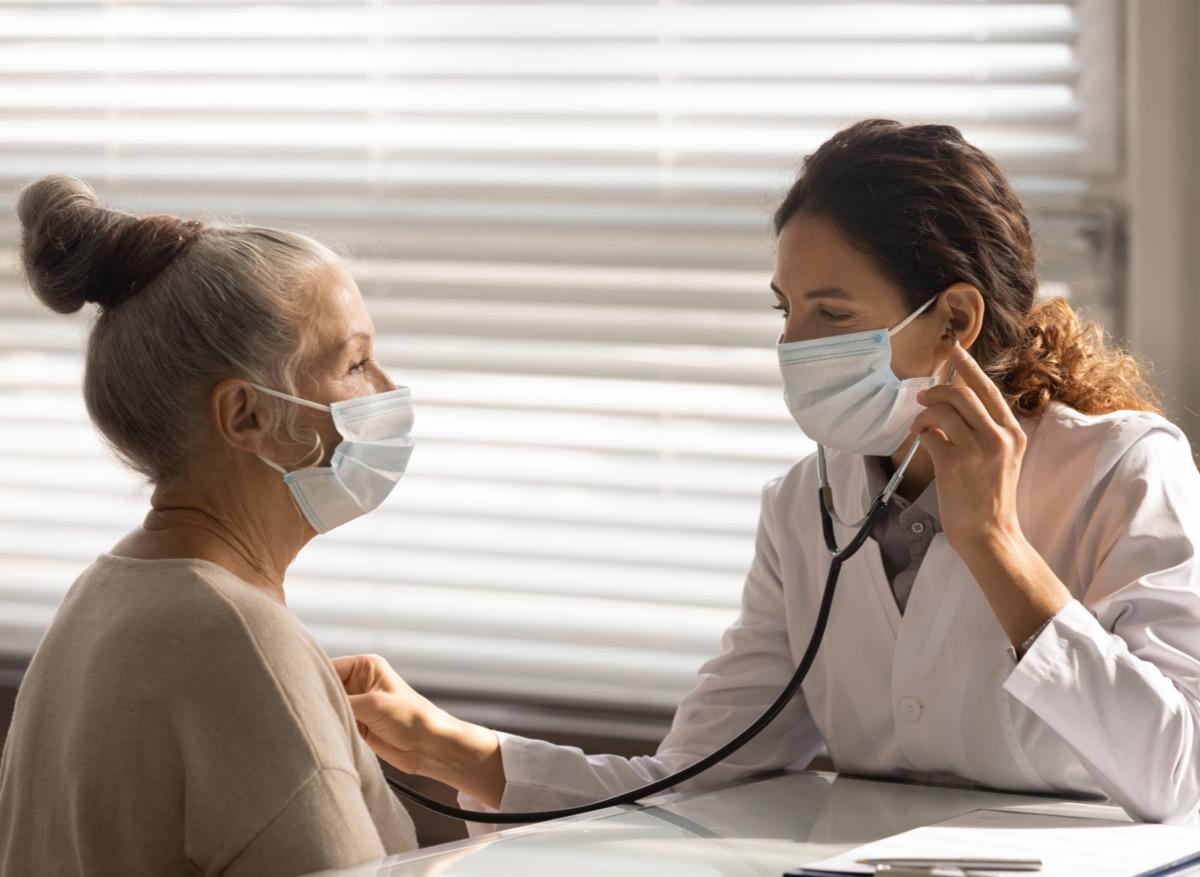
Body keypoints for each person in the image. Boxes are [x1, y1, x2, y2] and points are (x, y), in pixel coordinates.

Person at [333, 119, 1200, 826]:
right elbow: (693, 780)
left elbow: (1176, 772)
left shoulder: (1124, 471)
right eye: (787, 310)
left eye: (831, 311)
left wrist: (996, 545)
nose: (793, 347)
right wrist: (445, 743)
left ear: (956, 321)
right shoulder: (806, 505)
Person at [0, 176, 418, 874]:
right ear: (247, 415)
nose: (387, 390)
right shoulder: (240, 642)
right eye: (354, 362)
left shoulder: (103, 598)